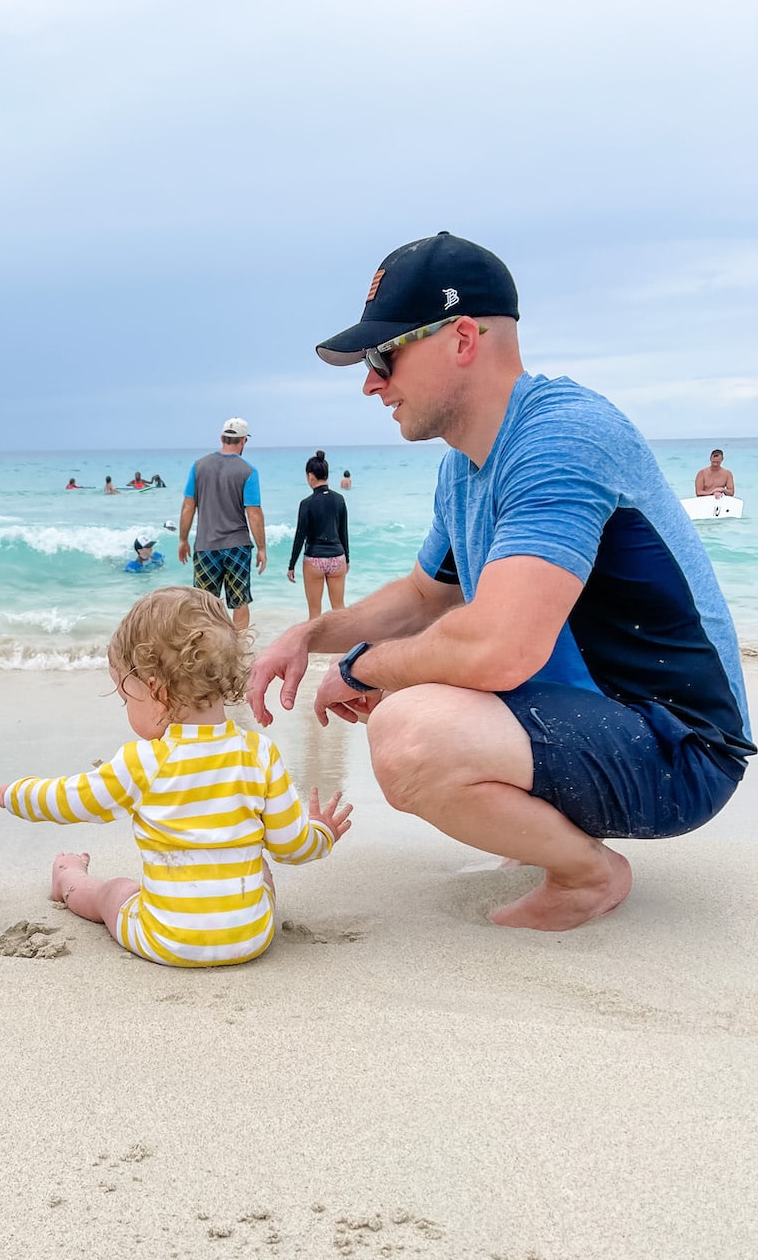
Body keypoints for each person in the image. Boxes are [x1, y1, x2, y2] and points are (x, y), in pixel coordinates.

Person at [249, 231, 753, 933]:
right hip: (601, 721)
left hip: (682, 748)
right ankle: (554, 836)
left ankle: (588, 874)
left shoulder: (562, 437)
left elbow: (499, 651)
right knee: (427, 678)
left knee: (409, 733)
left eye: (382, 355)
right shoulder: (465, 464)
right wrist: (312, 635)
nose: (370, 382)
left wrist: (366, 671)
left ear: (461, 338)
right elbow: (426, 597)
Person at [0, 587, 350, 967]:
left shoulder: (144, 762)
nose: (127, 708)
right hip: (252, 939)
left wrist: (15, 793)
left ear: (155, 689)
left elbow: (72, 799)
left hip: (167, 940)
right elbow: (292, 846)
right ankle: (230, 920)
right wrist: (322, 833)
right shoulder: (260, 754)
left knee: (116, 893)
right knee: (261, 870)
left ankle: (68, 877)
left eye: (127, 698)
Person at [178, 416, 266, 632]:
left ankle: (209, 650)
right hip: (237, 546)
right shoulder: (248, 471)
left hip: (206, 546)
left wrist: (183, 539)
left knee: (205, 604)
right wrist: (262, 548)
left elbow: (188, 506)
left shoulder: (198, 466)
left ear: (222, 438)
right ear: (243, 440)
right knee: (240, 601)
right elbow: (253, 513)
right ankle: (239, 649)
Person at [287, 451, 349, 617]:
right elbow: (343, 532)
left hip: (315, 560)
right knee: (339, 609)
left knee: (315, 613)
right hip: (337, 559)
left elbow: (300, 536)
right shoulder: (340, 499)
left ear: (310, 476)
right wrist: (347, 559)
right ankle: (345, 642)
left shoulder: (306, 504)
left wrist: (291, 565)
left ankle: (316, 644)